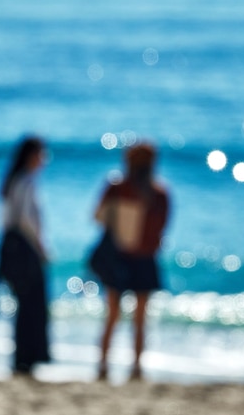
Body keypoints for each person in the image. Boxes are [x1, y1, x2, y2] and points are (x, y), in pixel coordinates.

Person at [93, 142, 170, 381]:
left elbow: (98, 217)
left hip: (119, 257)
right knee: (139, 319)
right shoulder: (159, 193)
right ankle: (135, 368)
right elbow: (160, 233)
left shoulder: (117, 188)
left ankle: (104, 366)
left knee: (113, 315)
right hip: (144, 259)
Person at [0, 135, 50, 375]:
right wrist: (41, 248)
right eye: (41, 153)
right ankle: (26, 359)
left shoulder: (12, 180)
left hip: (11, 248)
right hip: (24, 249)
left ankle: (22, 358)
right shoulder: (26, 181)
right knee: (31, 305)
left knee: (24, 306)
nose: (44, 159)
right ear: (31, 156)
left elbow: (6, 220)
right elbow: (27, 221)